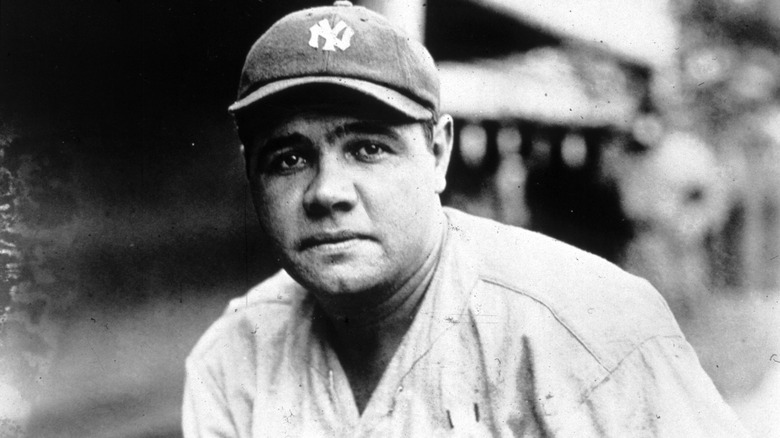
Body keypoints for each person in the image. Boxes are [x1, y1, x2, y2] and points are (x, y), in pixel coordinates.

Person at [182, 2, 749, 436]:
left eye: (368, 148)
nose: (328, 192)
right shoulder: (234, 357)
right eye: (289, 158)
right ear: (252, 178)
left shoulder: (588, 329)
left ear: (438, 154)